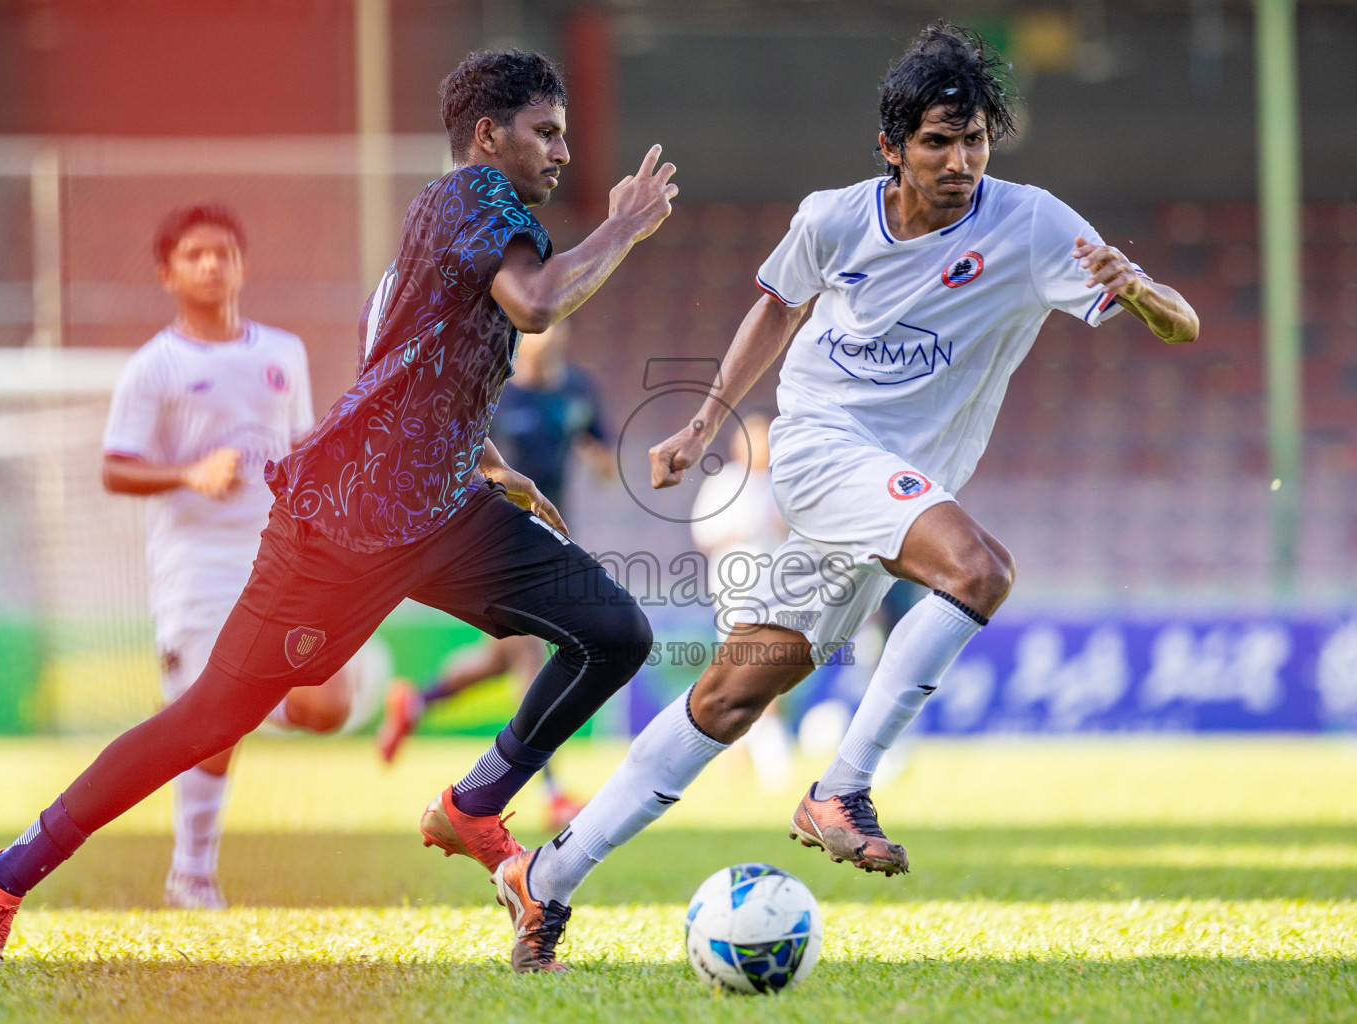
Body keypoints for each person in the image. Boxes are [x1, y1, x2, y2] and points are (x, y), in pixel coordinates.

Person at [487, 22, 1199, 972]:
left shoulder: (1032, 226)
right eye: (938, 142)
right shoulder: (834, 218)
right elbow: (777, 307)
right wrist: (706, 423)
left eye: (976, 138)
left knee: (734, 695)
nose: (960, 160)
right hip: (824, 451)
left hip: (894, 491)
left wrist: (1140, 290)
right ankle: (844, 791)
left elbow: (1180, 326)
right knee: (979, 571)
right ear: (891, 149)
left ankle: (548, 879)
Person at [0, 47, 677, 968]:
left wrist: (490, 461)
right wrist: (624, 229)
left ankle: (473, 805)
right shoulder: (472, 200)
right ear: (488, 136)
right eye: (547, 132)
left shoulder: (450, 227)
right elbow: (535, 307)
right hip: (344, 525)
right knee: (208, 719)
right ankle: (2, 877)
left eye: (565, 134)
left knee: (614, 631)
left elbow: (404, 367)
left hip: (444, 509)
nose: (563, 152)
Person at [102, 203, 364, 909]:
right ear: (168, 272)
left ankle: (233, 704)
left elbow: (304, 448)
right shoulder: (153, 367)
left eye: (224, 252)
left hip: (282, 558)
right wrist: (188, 473)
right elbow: (116, 468)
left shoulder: (283, 352)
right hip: (198, 567)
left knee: (328, 703)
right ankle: (191, 875)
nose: (212, 264)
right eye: (195, 255)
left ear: (242, 264)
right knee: (209, 722)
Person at [377, 319, 615, 830]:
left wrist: (598, 460)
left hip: (554, 532)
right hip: (501, 534)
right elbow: (468, 451)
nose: (550, 334)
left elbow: (600, 450)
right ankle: (552, 791)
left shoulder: (576, 388)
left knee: (501, 658)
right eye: (540, 327)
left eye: (558, 325)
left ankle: (416, 703)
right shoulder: (499, 391)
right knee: (530, 652)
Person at [689, 412, 792, 791]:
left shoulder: (784, 484)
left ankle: (770, 758)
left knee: (770, 668)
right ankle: (737, 758)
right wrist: (739, 528)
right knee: (737, 670)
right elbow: (704, 532)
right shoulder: (724, 483)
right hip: (734, 590)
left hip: (778, 591)